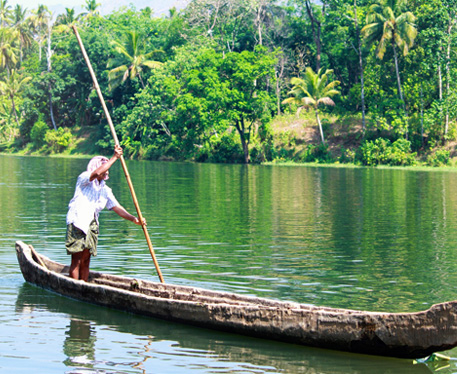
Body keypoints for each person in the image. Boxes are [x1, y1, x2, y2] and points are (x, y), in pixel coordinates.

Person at [65, 145, 144, 281]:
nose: (107, 171)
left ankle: (83, 286)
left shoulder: (105, 190)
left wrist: (134, 219)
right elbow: (95, 174)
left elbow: (117, 207)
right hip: (78, 222)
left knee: (86, 261)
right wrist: (115, 157)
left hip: (91, 225)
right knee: (76, 261)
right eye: (104, 168)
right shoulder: (84, 179)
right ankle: (74, 286)